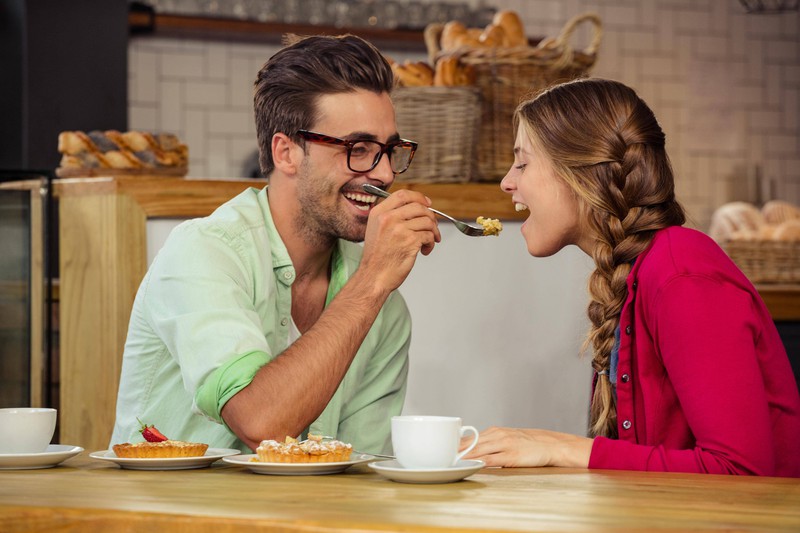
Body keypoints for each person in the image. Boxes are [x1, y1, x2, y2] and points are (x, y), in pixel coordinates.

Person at [110, 34, 441, 454]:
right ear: (286, 152)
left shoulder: (385, 309)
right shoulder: (202, 253)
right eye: (358, 149)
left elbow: (360, 471)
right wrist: (373, 280)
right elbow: (260, 422)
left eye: (390, 150)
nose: (384, 175)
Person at [465, 78, 800, 476]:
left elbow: (740, 471)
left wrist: (566, 449)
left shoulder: (681, 272)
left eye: (523, 162)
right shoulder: (636, 274)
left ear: (583, 173)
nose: (507, 181)